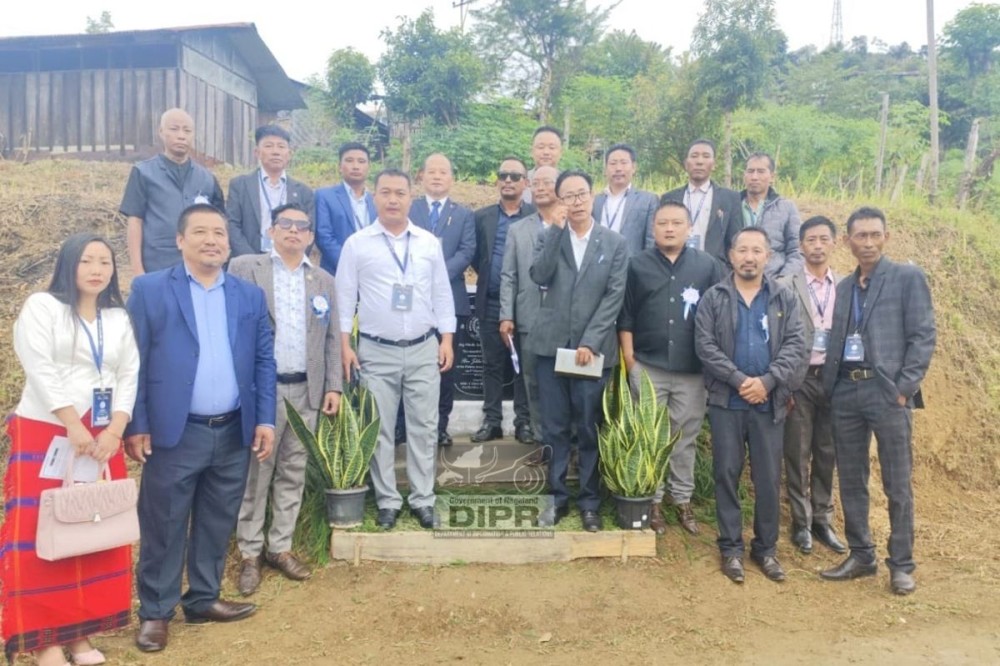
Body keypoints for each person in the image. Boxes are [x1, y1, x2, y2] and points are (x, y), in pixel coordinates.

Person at [125, 204, 276, 653]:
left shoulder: (247, 295)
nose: (213, 240)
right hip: (175, 431)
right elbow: (132, 361)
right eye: (201, 232)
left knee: (215, 520)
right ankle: (155, 611)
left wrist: (265, 417)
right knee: (165, 523)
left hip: (232, 429)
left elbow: (264, 360)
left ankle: (203, 598)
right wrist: (138, 422)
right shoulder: (151, 290)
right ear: (179, 239)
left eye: (220, 233)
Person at [2, 233, 139, 666]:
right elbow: (39, 365)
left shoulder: (117, 317)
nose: (97, 269)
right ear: (68, 265)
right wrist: (72, 424)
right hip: (49, 430)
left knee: (96, 531)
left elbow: (129, 372)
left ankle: (82, 635)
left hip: (102, 440)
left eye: (105, 261)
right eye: (87, 261)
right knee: (44, 533)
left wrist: (116, 428)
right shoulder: (43, 307)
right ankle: (45, 642)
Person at [820, 207, 936, 596]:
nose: (867, 243)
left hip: (888, 393)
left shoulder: (907, 277)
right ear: (847, 242)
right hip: (847, 392)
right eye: (860, 236)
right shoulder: (844, 287)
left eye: (874, 235)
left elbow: (923, 336)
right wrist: (830, 387)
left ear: (886, 237)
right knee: (851, 479)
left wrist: (904, 387)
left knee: (897, 483)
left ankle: (901, 565)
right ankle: (861, 555)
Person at [229, 203, 343, 596]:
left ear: (311, 236)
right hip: (263, 390)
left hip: (306, 390)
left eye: (302, 227)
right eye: (286, 225)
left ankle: (280, 547)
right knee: (258, 470)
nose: (294, 231)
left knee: (293, 469)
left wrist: (333, 386)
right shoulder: (246, 269)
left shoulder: (324, 280)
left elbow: (331, 338)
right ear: (272, 230)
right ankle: (249, 552)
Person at [336, 169, 456, 530]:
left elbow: (441, 293)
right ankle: (387, 500)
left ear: (410, 198)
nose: (392, 199)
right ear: (374, 197)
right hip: (376, 350)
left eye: (400, 193)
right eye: (385, 192)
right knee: (381, 429)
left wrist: (447, 338)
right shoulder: (357, 244)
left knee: (424, 426)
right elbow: (344, 298)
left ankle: (423, 499)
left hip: (423, 348)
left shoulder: (427, 242)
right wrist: (345, 345)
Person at [695, 227, 806, 584]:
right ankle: (730, 549)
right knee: (726, 474)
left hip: (768, 402)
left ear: (768, 256)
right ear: (731, 255)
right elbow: (705, 346)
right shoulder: (714, 297)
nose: (749, 257)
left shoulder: (783, 298)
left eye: (757, 250)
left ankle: (766, 549)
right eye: (743, 250)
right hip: (727, 401)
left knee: (768, 477)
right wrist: (740, 380)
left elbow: (796, 344)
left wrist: (768, 381)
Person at [530, 169, 628, 532]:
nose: (576, 201)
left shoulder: (614, 243)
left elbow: (613, 296)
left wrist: (590, 340)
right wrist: (555, 231)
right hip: (551, 348)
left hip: (593, 351)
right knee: (554, 427)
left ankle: (589, 502)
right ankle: (556, 498)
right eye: (568, 196)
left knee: (589, 428)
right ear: (559, 201)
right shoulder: (549, 237)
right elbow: (539, 275)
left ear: (593, 196)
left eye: (582, 194)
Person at [618, 201, 723, 535]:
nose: (669, 228)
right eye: (663, 223)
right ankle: (652, 499)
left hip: (692, 371)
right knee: (650, 437)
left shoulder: (707, 266)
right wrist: (631, 360)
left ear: (689, 228)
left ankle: (682, 499)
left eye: (677, 223)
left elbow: (719, 316)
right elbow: (627, 315)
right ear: (653, 228)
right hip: (648, 366)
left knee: (684, 436)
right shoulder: (637, 265)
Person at [781, 216, 847, 555]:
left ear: (834, 243)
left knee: (827, 452)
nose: (817, 245)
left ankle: (823, 519)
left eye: (823, 239)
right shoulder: (785, 284)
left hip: (835, 381)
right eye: (811, 240)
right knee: (797, 451)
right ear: (801, 246)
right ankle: (801, 522)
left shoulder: (847, 287)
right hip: (799, 379)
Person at [406, 153, 475, 446]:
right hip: (412, 301)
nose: (436, 176)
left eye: (443, 172)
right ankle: (404, 427)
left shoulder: (463, 214)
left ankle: (440, 426)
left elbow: (467, 251)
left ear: (452, 178)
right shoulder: (410, 208)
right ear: (421, 176)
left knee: (445, 367)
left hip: (451, 299)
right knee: (409, 367)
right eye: (431, 171)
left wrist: (435, 273)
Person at [499, 165, 564, 464]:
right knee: (532, 382)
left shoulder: (572, 225)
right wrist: (506, 315)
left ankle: (568, 443)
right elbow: (509, 275)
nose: (539, 188)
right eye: (535, 183)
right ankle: (543, 443)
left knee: (565, 382)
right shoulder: (518, 229)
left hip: (564, 319)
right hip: (527, 317)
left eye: (546, 182)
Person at [471, 157, 536, 444]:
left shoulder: (535, 217)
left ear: (526, 182)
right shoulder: (482, 217)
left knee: (524, 365)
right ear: (497, 181)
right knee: (492, 364)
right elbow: (476, 256)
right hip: (492, 301)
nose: (508, 180)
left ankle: (524, 422)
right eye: (503, 175)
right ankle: (492, 421)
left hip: (526, 303)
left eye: (514, 175)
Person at [120, 108, 225, 275]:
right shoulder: (143, 172)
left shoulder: (207, 178)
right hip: (157, 263)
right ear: (161, 132)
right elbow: (135, 222)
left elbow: (220, 224)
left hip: (198, 266)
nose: (181, 135)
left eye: (187, 130)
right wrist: (137, 269)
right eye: (174, 129)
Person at [226, 125, 315, 257]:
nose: (275, 152)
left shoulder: (303, 191)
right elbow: (232, 225)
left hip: (288, 260)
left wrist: (292, 258)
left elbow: (308, 229)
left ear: (289, 154)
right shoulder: (240, 185)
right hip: (249, 257)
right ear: (257, 152)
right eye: (268, 146)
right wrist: (250, 260)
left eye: (281, 146)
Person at [661, 139, 742, 267]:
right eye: (694, 156)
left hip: (715, 271)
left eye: (706, 156)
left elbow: (735, 241)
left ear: (714, 164)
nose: (699, 161)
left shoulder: (730, 198)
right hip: (676, 268)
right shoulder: (669, 198)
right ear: (686, 164)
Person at [314, 142, 376, 275]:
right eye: (349, 161)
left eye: (361, 161)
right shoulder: (325, 196)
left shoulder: (375, 200)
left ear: (368, 167)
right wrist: (350, 265)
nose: (355, 166)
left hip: (372, 273)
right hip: (336, 271)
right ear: (339, 167)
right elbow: (324, 237)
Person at [740, 152, 803, 278]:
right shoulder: (731, 204)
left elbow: (797, 250)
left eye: (761, 171)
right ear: (744, 175)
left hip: (774, 281)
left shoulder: (786, 207)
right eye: (750, 171)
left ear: (772, 176)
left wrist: (783, 281)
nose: (754, 177)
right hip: (736, 283)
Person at [591, 143, 658, 256]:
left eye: (624, 163)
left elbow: (651, 240)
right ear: (605, 169)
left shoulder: (648, 200)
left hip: (631, 266)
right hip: (598, 266)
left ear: (634, 167)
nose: (618, 168)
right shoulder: (594, 201)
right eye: (613, 163)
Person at [522, 126, 563, 205]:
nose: (546, 152)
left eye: (552, 147)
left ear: (561, 152)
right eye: (541, 147)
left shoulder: (567, 182)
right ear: (532, 151)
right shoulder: (521, 182)